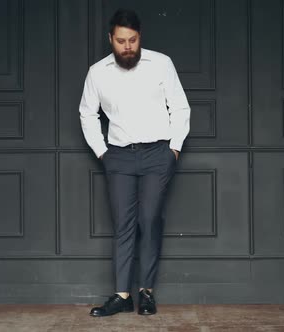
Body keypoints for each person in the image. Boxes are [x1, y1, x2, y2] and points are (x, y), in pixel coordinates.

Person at [79, 8, 190, 317]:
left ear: (140, 37)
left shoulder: (161, 64)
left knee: (150, 220)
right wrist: (102, 151)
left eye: (132, 40)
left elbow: (180, 107)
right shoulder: (97, 72)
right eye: (120, 41)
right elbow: (87, 113)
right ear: (110, 39)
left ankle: (147, 293)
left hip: (158, 154)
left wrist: (175, 149)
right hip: (119, 156)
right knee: (124, 226)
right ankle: (122, 295)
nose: (127, 47)